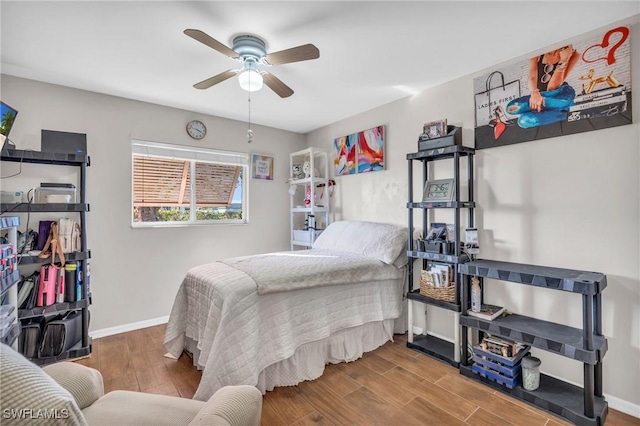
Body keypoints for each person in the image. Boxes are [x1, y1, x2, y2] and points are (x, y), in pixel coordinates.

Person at [505, 45, 580, 128]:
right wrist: (534, 94)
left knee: (522, 120)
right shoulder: (538, 53)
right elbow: (532, 77)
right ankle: (562, 111)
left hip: (562, 93)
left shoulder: (572, 54)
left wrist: (564, 60)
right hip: (540, 96)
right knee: (513, 111)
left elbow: (553, 87)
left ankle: (560, 108)